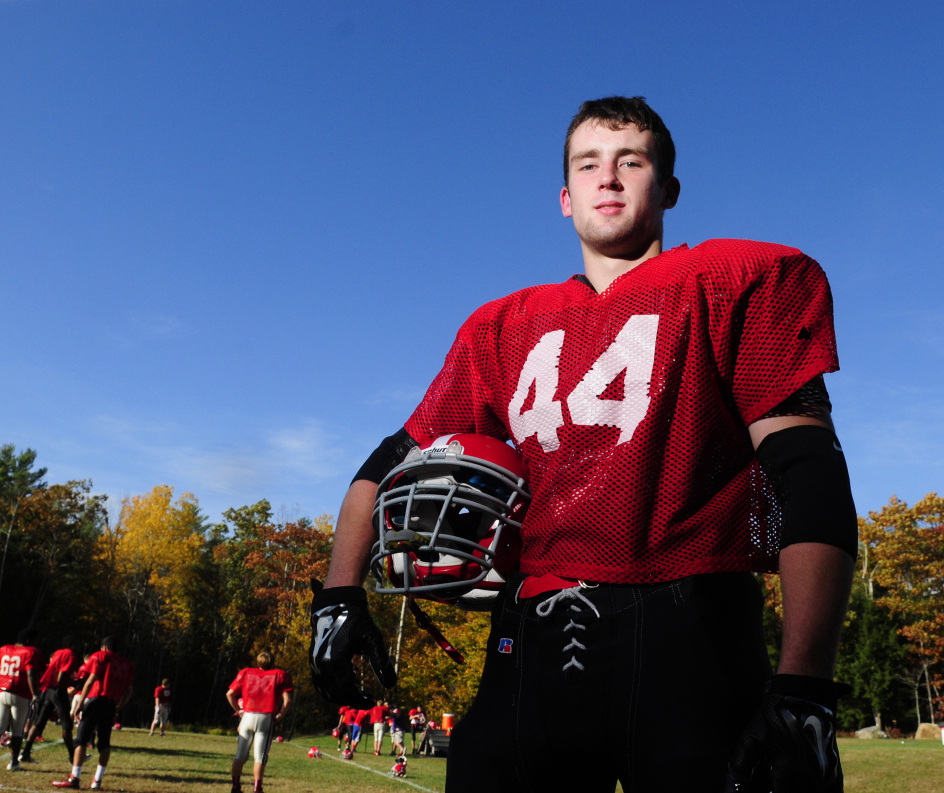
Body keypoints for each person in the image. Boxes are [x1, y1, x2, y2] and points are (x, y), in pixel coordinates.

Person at [309, 96, 858, 792]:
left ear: (669, 188)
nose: (610, 178)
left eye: (632, 161)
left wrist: (806, 682)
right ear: (565, 198)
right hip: (533, 636)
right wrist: (337, 595)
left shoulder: (733, 281)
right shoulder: (501, 325)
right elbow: (385, 463)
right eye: (590, 164)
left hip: (691, 633)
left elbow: (808, 473)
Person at [51, 637, 134, 790]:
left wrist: (80, 703)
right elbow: (129, 691)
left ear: (103, 648)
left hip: (96, 700)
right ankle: (97, 780)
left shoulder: (100, 656)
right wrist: (120, 705)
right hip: (111, 704)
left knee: (81, 739)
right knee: (104, 742)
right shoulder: (126, 664)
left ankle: (74, 777)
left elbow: (90, 681)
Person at [225, 651, 293, 793]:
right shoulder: (279, 674)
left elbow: (229, 694)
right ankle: (257, 789)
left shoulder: (246, 672)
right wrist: (281, 714)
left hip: (248, 716)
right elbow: (287, 700)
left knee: (240, 755)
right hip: (265, 717)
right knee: (260, 757)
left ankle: (236, 787)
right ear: (272, 662)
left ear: (258, 662)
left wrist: (239, 710)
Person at [0, 628, 43, 771]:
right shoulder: (31, 652)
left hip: (1, 691)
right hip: (19, 693)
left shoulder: (4, 649)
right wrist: (36, 694)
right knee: (18, 730)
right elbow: (31, 673)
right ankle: (13, 763)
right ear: (28, 641)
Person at [20, 635, 82, 765]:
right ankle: (72, 756)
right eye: (77, 643)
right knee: (67, 725)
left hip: (48, 690)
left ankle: (25, 752)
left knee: (40, 721)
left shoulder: (59, 652)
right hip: (59, 691)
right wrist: (75, 683)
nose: (79, 646)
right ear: (71, 644)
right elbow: (61, 678)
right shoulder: (71, 655)